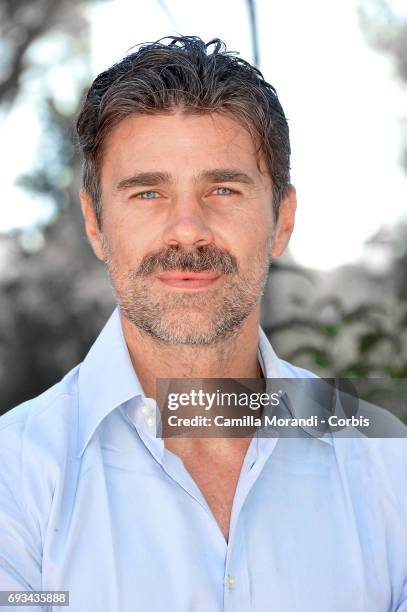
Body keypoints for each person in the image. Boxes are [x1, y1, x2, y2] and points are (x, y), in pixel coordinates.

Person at [0, 35, 406, 612]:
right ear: (95, 224)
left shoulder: (385, 463)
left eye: (222, 189)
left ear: (282, 219)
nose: (187, 229)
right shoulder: (13, 480)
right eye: (147, 193)